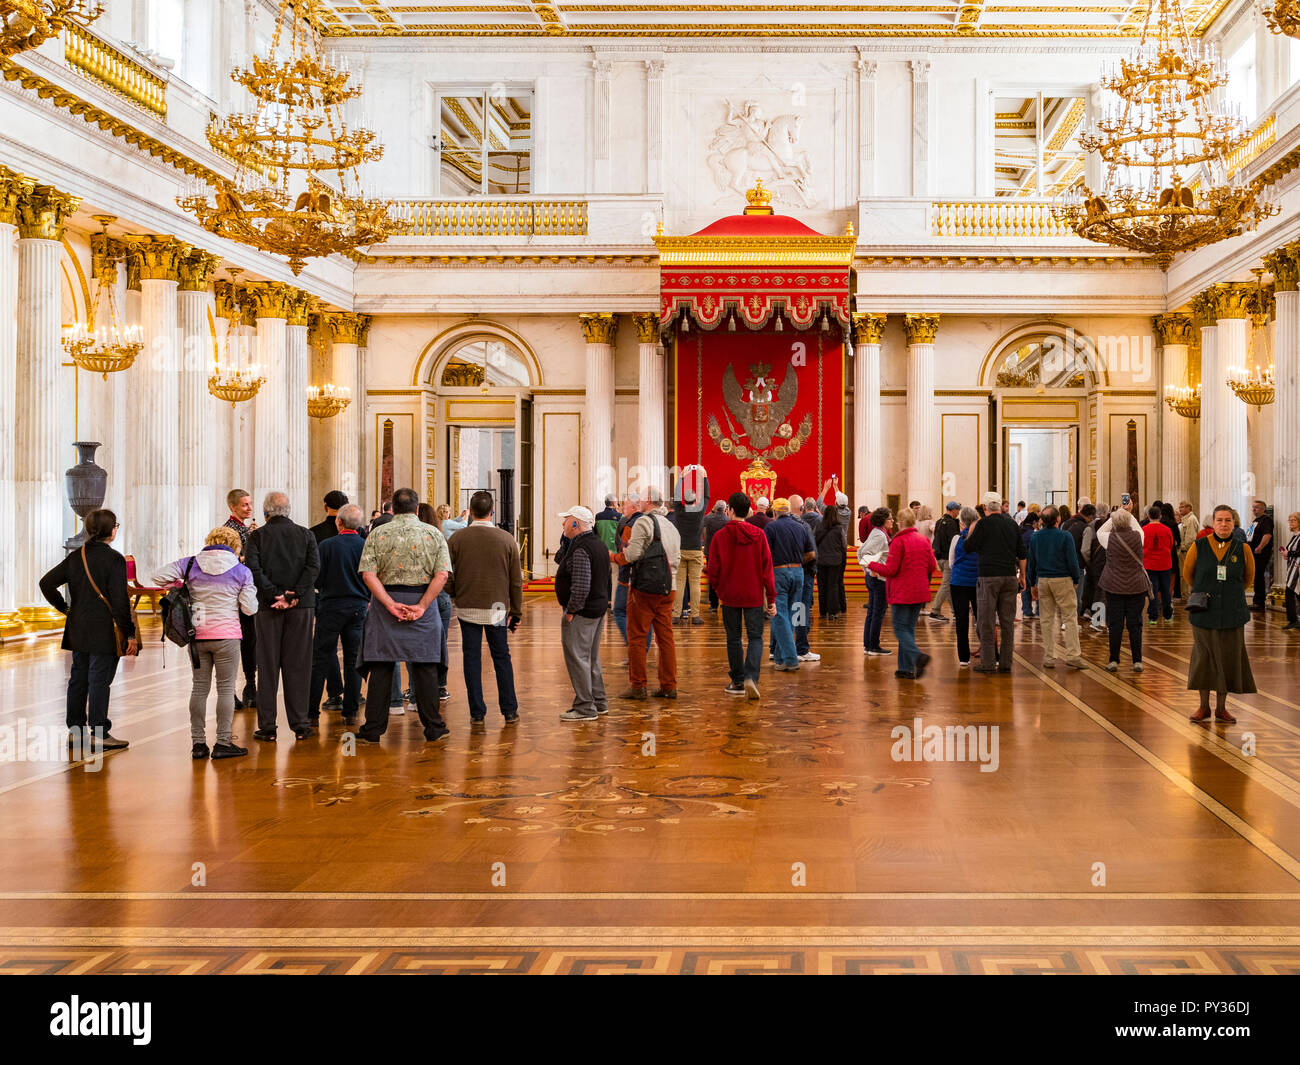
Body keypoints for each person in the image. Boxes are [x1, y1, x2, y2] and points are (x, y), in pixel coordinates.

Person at [355, 487, 451, 745]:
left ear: (393, 508)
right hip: (423, 604)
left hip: (386, 605)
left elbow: (367, 574)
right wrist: (421, 606)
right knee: (425, 667)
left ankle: (373, 729)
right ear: (417, 509)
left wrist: (388, 604)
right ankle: (433, 727)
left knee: (382, 666)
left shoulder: (378, 533)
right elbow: (442, 574)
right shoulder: (433, 534)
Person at [153, 526, 258, 759]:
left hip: (197, 635)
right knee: (226, 689)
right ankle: (223, 742)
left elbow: (157, 576)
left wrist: (179, 586)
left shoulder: (190, 564)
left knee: (199, 688)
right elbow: (250, 609)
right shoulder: (242, 571)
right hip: (227, 636)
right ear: (235, 546)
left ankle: (198, 743)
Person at [39, 508, 136, 753]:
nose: (116, 529)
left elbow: (46, 582)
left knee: (78, 679)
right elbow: (120, 600)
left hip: (78, 627)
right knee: (100, 680)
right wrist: (130, 633)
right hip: (104, 629)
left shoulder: (76, 556)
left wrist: (65, 608)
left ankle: (75, 732)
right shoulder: (114, 559)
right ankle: (100, 733)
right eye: (116, 525)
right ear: (109, 530)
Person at [245, 492, 320, 741]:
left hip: (268, 608)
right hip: (300, 607)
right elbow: (313, 568)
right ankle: (300, 724)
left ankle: (267, 727)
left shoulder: (258, 536)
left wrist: (274, 595)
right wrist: (293, 595)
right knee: (298, 665)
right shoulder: (306, 534)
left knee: (267, 666)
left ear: (266, 512)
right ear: (288, 511)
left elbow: (253, 568)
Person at [447, 490, 523, 726]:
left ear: (470, 511)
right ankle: (509, 710)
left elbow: (447, 575)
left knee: (471, 659)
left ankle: (477, 712)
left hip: (467, 606)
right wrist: (516, 611)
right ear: (492, 511)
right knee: (502, 657)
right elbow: (516, 581)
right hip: (498, 608)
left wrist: (456, 594)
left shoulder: (457, 539)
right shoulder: (507, 539)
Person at [1185, 505, 1256, 723]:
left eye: (1228, 520)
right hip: (1203, 613)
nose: (1223, 524)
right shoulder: (1198, 546)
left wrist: (1228, 595)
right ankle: (1203, 707)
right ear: (1212, 523)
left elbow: (1248, 579)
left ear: (1234, 523)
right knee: (1204, 659)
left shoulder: (1242, 549)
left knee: (1228, 659)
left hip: (1232, 613)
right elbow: (1189, 575)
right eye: (1219, 520)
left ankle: (1222, 708)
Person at [614, 488, 681, 700]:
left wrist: (614, 557)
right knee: (666, 638)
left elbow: (632, 555)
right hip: (669, 587)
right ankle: (669, 686)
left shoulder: (644, 521)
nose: (639, 501)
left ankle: (638, 686)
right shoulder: (671, 526)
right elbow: (677, 558)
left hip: (645, 587)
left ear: (649, 501)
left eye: (642, 498)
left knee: (637, 637)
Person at [707, 492, 775, 699]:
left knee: (733, 638)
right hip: (753, 594)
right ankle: (751, 678)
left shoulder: (720, 536)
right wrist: (771, 598)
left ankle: (737, 680)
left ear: (730, 510)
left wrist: (719, 591)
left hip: (730, 595)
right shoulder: (759, 535)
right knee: (755, 637)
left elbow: (713, 570)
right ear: (748, 511)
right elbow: (767, 569)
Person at [308, 503, 368, 728]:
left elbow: (317, 578)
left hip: (331, 607)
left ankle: (311, 713)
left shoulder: (326, 545)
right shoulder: (364, 545)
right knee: (354, 660)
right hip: (358, 607)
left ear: (339, 522)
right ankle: (350, 712)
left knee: (321, 659)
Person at [554, 505, 611, 720]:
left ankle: (585, 707)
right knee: (591, 658)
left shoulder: (581, 548)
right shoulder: (598, 544)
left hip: (583, 612)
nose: (563, 524)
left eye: (566, 520)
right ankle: (599, 702)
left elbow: (581, 585)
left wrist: (571, 610)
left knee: (578, 658)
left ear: (576, 523)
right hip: (596, 609)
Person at [868, 507, 937, 679]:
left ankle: (917, 657)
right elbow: (932, 566)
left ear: (899, 523)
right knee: (908, 629)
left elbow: (891, 570)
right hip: (919, 591)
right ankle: (905, 669)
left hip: (902, 592)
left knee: (900, 629)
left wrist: (872, 565)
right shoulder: (923, 540)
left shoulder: (899, 542)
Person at [965, 493, 1025, 674]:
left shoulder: (982, 524)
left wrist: (971, 531)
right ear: (1001, 506)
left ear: (985, 507)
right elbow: (1022, 553)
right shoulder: (1012, 524)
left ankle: (988, 663)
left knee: (986, 621)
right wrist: (1022, 575)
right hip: (1009, 577)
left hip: (988, 577)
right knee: (1007, 622)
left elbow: (968, 548)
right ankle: (1006, 663)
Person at [1026, 506, 1085, 670]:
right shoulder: (1065, 536)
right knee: (1070, 618)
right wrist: (1076, 579)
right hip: (1063, 579)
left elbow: (1032, 562)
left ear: (1042, 521)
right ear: (1058, 519)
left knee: (1046, 619)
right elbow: (1072, 560)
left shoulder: (1036, 537)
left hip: (1043, 580)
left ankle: (1049, 657)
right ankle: (1073, 655)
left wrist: (1032, 584)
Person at [310, 489, 351, 710]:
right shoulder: (358, 534)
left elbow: (313, 569)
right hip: (355, 598)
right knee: (353, 648)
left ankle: (335, 693)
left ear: (325, 506)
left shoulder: (314, 533)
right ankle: (354, 696)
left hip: (326, 597)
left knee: (326, 649)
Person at [764, 498, 814, 671]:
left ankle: (791, 659)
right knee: (792, 614)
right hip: (799, 572)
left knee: (779, 615)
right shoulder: (801, 527)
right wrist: (797, 562)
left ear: (775, 512)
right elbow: (811, 553)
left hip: (779, 572)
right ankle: (780, 657)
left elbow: (766, 555)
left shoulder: (771, 527)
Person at [1098, 507, 1149, 672]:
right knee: (1135, 624)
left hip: (1114, 586)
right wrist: (1128, 512)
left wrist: (1115, 515)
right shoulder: (1138, 536)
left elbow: (1100, 530)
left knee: (1115, 624)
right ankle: (1137, 661)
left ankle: (1113, 660)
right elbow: (1138, 527)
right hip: (1136, 586)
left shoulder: (1107, 538)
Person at [223, 488, 258, 709]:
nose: (249, 508)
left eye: (250, 504)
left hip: (246, 594)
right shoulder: (228, 530)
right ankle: (236, 690)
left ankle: (251, 685)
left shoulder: (244, 528)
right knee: (237, 644)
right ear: (233, 507)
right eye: (244, 505)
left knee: (250, 642)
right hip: (233, 596)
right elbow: (232, 561)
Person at [786, 493, 819, 661]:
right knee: (800, 610)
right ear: (802, 509)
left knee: (785, 611)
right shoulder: (803, 526)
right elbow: (811, 553)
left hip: (783, 574)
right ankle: (802, 649)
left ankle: (777, 649)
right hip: (803, 573)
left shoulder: (778, 525)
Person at [948, 506, 980, 667]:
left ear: (962, 522)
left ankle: (963, 657)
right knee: (981, 619)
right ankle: (992, 654)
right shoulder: (982, 537)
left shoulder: (957, 538)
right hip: (977, 582)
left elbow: (951, 562)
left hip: (958, 582)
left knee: (961, 620)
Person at [859, 507, 892, 656]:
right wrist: (870, 569)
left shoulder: (877, 532)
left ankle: (869, 645)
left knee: (872, 612)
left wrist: (866, 569)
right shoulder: (880, 535)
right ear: (883, 520)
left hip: (874, 577)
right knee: (877, 612)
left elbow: (861, 551)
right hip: (878, 578)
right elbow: (864, 553)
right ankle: (873, 646)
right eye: (890, 518)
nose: (893, 521)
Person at [672, 488, 707, 625]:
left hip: (681, 550)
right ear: (695, 501)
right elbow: (707, 496)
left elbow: (675, 498)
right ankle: (696, 615)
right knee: (694, 584)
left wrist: (680, 477)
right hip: (695, 551)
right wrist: (704, 477)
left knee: (679, 584)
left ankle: (675, 615)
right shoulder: (699, 512)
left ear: (683, 501)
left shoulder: (679, 512)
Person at [927, 501, 960, 622]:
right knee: (946, 584)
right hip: (947, 557)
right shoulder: (951, 523)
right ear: (953, 510)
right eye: (958, 510)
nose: (958, 513)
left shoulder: (939, 521)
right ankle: (935, 611)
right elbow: (954, 541)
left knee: (949, 584)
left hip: (939, 557)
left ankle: (955, 611)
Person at [1142, 504, 1175, 623]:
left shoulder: (1144, 529)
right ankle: (1167, 615)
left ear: (1148, 516)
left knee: (1152, 590)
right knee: (1166, 590)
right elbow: (1171, 545)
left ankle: (1153, 616)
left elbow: (1141, 546)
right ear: (1160, 516)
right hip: (1165, 563)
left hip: (1149, 563)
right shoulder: (1167, 530)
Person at [815, 503, 847, 619]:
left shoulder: (819, 527)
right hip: (835, 561)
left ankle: (823, 612)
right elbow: (844, 546)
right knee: (833, 586)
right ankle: (832, 612)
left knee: (822, 586)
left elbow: (814, 542)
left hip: (821, 561)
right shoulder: (839, 529)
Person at [702, 499, 729, 613]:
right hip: (723, 553)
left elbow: (703, 529)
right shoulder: (727, 520)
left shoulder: (708, 518)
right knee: (724, 578)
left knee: (712, 577)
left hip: (710, 551)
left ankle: (713, 605)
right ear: (725, 509)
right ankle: (724, 602)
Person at [1248, 499, 1274, 610]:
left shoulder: (1266, 520)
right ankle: (1257, 601)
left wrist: (1260, 547)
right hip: (1253, 552)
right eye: (1253, 507)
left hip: (1261, 553)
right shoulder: (1256, 520)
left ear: (1263, 509)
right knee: (1257, 576)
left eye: (1256, 507)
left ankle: (1259, 603)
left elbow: (1267, 535)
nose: (1254, 509)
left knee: (1259, 576)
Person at [1279, 512, 1300, 630]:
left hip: (1297, 568)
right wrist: (1285, 552)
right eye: (1290, 520)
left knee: (1290, 592)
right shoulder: (1295, 536)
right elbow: (1290, 549)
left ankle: (1293, 620)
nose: (1291, 523)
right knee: (1295, 593)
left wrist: (1289, 553)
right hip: (1293, 567)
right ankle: (1294, 620)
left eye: (1293, 520)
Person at [1018, 511, 1041, 619]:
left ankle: (1026, 610)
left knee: (1024, 587)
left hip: (1020, 561)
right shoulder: (1032, 534)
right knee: (1034, 584)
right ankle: (1038, 611)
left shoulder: (1020, 530)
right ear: (1034, 522)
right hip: (1031, 562)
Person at [1177, 501, 1200, 598]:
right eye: (1179, 507)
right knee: (1183, 575)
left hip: (1186, 552)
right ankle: (1185, 595)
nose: (1180, 509)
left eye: (1182, 507)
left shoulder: (1191, 519)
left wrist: (1181, 547)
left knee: (1186, 574)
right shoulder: (1186, 519)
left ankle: (1187, 596)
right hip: (1184, 551)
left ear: (1188, 508)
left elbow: (1190, 539)